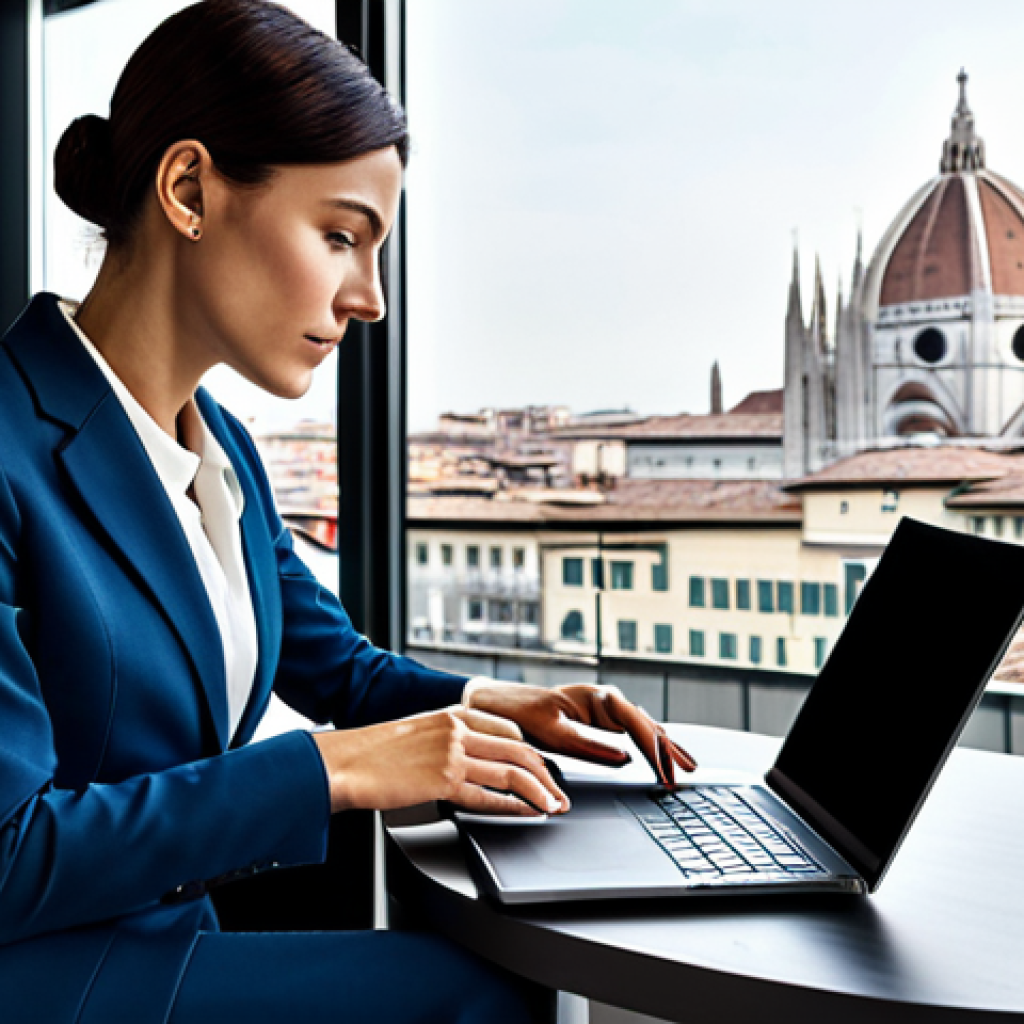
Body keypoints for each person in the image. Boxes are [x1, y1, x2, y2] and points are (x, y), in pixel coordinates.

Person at [0, 2, 696, 1021]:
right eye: (339, 235)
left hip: (159, 942)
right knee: (488, 998)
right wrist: (328, 768)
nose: (369, 296)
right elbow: (11, 856)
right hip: (44, 977)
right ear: (189, 189)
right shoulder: (12, 443)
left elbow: (341, 669)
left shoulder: (219, 448)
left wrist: (502, 703)